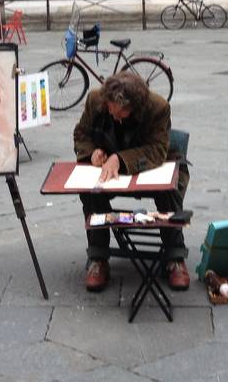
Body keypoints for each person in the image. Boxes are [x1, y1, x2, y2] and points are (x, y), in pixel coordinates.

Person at [72, 71, 190, 292]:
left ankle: (175, 257)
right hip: (109, 165)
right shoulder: (96, 100)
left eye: (121, 114)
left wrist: (120, 159)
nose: (115, 117)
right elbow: (81, 133)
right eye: (111, 111)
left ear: (135, 107)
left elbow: (157, 150)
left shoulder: (157, 107)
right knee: (90, 191)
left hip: (151, 163)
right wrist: (92, 153)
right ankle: (98, 257)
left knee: (170, 189)